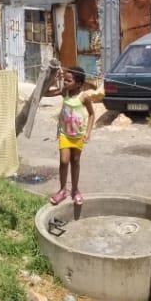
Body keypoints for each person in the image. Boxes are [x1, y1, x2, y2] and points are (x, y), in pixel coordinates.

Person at [44, 65, 95, 206]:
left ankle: (75, 190)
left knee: (75, 161)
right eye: (65, 80)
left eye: (68, 81)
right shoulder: (64, 92)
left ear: (78, 83)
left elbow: (91, 114)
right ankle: (62, 190)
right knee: (64, 162)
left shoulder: (84, 97)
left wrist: (88, 132)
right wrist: (54, 79)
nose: (65, 83)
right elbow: (45, 93)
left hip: (78, 135)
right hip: (64, 134)